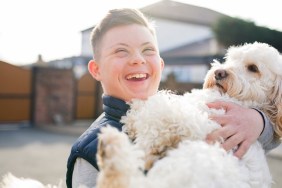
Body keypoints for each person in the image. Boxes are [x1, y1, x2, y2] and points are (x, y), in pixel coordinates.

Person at [66, 8, 280, 188]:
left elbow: (261, 141)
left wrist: (258, 122)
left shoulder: (188, 109)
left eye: (147, 50)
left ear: (160, 64)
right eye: (121, 51)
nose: (137, 60)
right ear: (96, 70)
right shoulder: (90, 151)